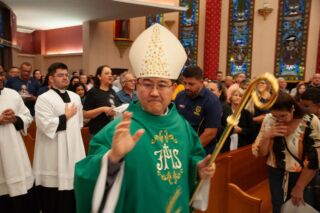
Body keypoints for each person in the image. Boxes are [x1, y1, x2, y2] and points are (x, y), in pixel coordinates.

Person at [74, 23, 215, 213]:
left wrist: (200, 169)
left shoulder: (182, 126)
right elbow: (86, 175)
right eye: (147, 84)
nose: (155, 92)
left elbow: (193, 159)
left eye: (163, 84)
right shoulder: (118, 129)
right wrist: (113, 158)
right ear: (136, 87)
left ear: (174, 89)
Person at [252, 91, 320, 213]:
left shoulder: (310, 121)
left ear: (293, 108)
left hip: (302, 175)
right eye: (275, 116)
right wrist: (267, 136)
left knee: (300, 207)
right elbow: (261, 153)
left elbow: (315, 158)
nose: (279, 120)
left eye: (283, 116)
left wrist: (299, 186)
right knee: (278, 206)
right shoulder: (268, 119)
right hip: (276, 173)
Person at [33, 62, 85, 213]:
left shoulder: (76, 97)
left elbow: (79, 124)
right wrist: (65, 116)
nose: (65, 78)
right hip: (53, 153)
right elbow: (45, 125)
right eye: (60, 75)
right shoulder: (43, 99)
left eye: (66, 75)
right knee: (53, 200)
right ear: (50, 79)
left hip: (73, 151)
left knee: (72, 198)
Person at [0, 69, 37, 213]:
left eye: (1, 73)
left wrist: (16, 119)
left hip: (15, 154)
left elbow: (27, 116)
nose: (1, 77)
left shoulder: (13, 94)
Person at [175, 66, 222, 154]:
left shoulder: (212, 101)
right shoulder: (181, 96)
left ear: (201, 82)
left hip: (200, 150)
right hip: (180, 145)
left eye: (191, 84)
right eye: (185, 83)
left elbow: (210, 133)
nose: (187, 87)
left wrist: (191, 150)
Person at [83, 65, 120, 136]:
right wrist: (102, 109)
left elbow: (116, 107)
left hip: (111, 131)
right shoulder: (93, 92)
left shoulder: (112, 91)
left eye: (111, 74)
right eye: (106, 73)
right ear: (99, 77)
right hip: (97, 132)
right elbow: (85, 114)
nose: (110, 75)